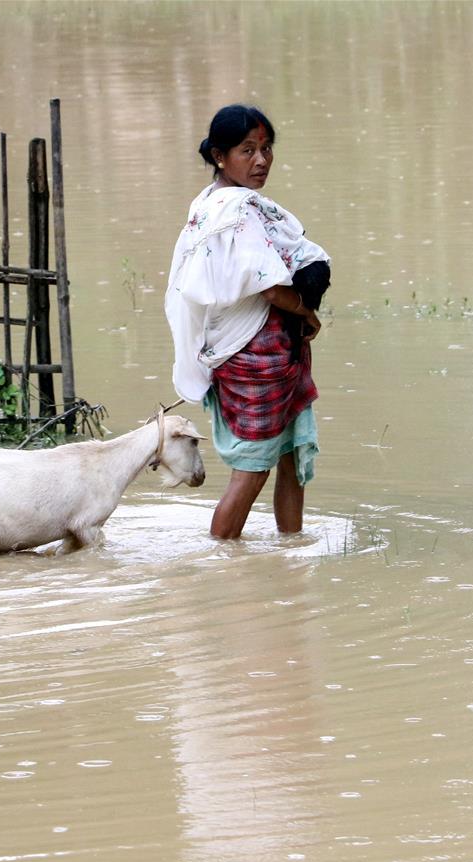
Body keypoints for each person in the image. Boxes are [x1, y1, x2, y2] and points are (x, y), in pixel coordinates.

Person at [165, 104, 330, 539]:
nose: (261, 161)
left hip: (271, 350)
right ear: (220, 156)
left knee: (291, 456)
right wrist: (307, 311)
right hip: (255, 356)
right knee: (253, 472)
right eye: (247, 150)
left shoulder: (209, 204)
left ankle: (290, 553)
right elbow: (270, 288)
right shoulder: (235, 211)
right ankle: (222, 561)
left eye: (266, 148)